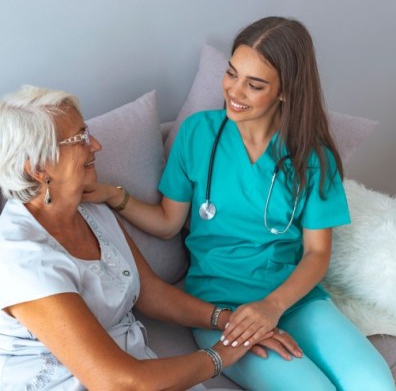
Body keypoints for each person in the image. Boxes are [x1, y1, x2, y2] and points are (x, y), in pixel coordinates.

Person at [83, 16, 396, 390]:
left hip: (295, 300)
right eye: (232, 73)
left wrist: (273, 306)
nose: (234, 91)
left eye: (255, 84)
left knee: (377, 383)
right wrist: (115, 196)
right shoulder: (198, 134)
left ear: (284, 91)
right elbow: (168, 222)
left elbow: (316, 254)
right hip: (221, 308)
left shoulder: (313, 157)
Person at [0, 85, 302, 390]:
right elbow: (118, 382)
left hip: (138, 369)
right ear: (38, 167)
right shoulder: (22, 259)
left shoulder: (89, 210)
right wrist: (223, 353)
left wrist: (233, 322)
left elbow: (151, 292)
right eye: (80, 138)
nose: (96, 145)